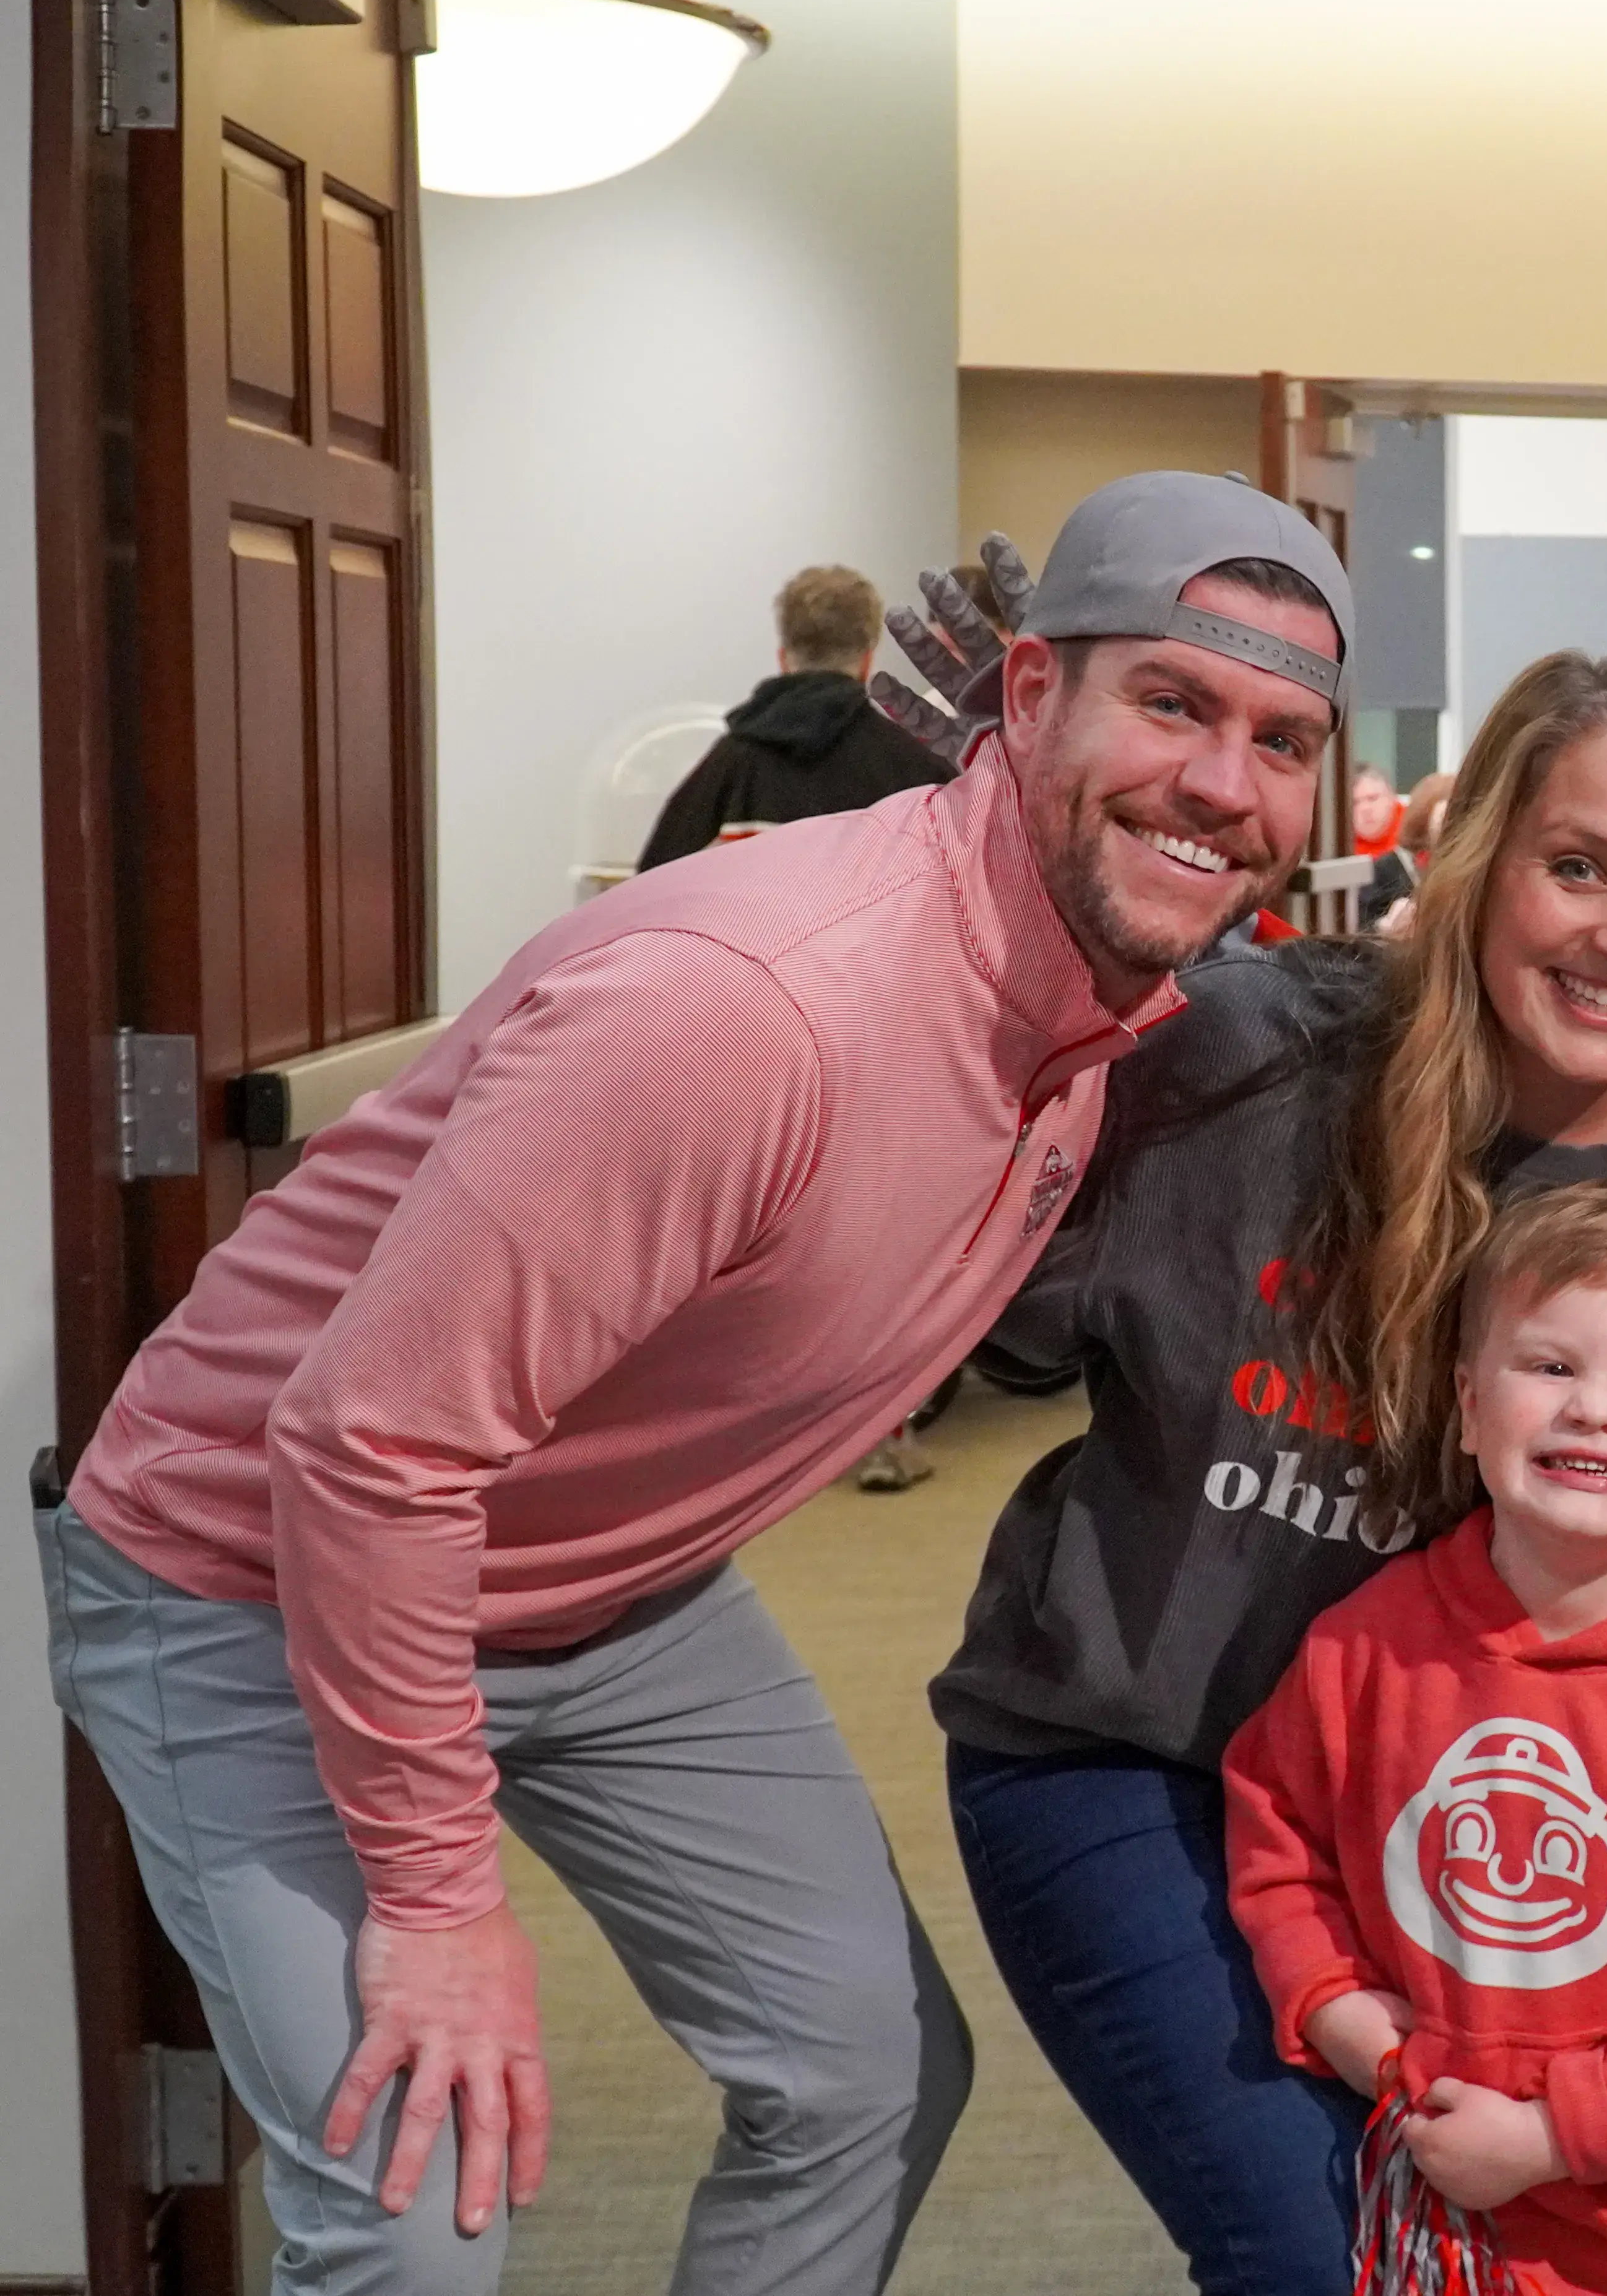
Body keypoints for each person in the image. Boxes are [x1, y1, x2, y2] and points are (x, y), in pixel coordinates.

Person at [33, 469, 1353, 2295]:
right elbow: (371, 1445)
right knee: (418, 2212)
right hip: (259, 1570)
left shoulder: (1101, 993)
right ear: (1032, 700)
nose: (1228, 781)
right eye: (1173, 704)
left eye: (1284, 738)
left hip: (601, 1582)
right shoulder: (744, 1005)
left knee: (864, 2077)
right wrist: (434, 1895)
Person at [926, 642, 1607, 2295]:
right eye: (1577, 868)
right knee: (1325, 2254)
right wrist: (993, 847)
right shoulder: (1249, 1052)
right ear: (1473, 858)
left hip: (1445, 1811)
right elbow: (1000, 1315)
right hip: (1137, 1764)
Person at [1224, 1179, 1607, 2296]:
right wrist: (1340, 2014)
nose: (1594, 1410)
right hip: (1425, 2230)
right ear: (1468, 1406)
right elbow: (1279, 1840)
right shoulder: (1361, 1649)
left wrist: (1552, 2138)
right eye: (1551, 1365)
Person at [636, 565, 958, 871]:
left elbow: (650, 889)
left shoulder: (729, 768)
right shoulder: (918, 772)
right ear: (867, 663)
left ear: (783, 660)